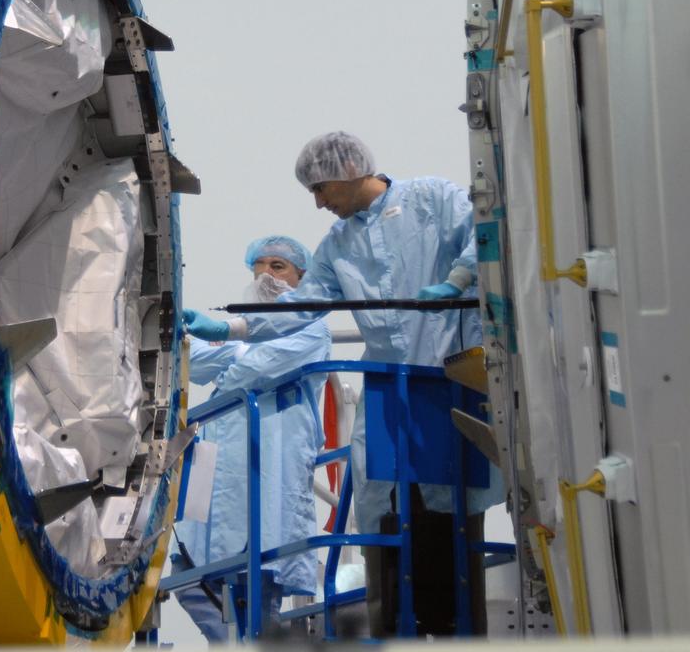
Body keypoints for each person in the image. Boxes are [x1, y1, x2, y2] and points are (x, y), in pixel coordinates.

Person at [182, 132, 502, 637]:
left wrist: (459, 281)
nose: (319, 202)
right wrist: (232, 327)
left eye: (322, 188)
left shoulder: (431, 198)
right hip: (384, 386)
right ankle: (395, 624)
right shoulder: (339, 245)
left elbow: (485, 229)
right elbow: (303, 309)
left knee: (448, 506)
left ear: (350, 169)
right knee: (381, 508)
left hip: (446, 377)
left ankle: (449, 626)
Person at [172, 236, 332, 643]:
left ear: (302, 276)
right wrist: (176, 332)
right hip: (220, 473)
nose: (266, 274)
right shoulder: (243, 334)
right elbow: (197, 361)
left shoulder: (313, 327)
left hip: (270, 468)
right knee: (189, 576)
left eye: (278, 266)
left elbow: (258, 370)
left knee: (261, 582)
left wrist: (228, 362)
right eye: (259, 266)